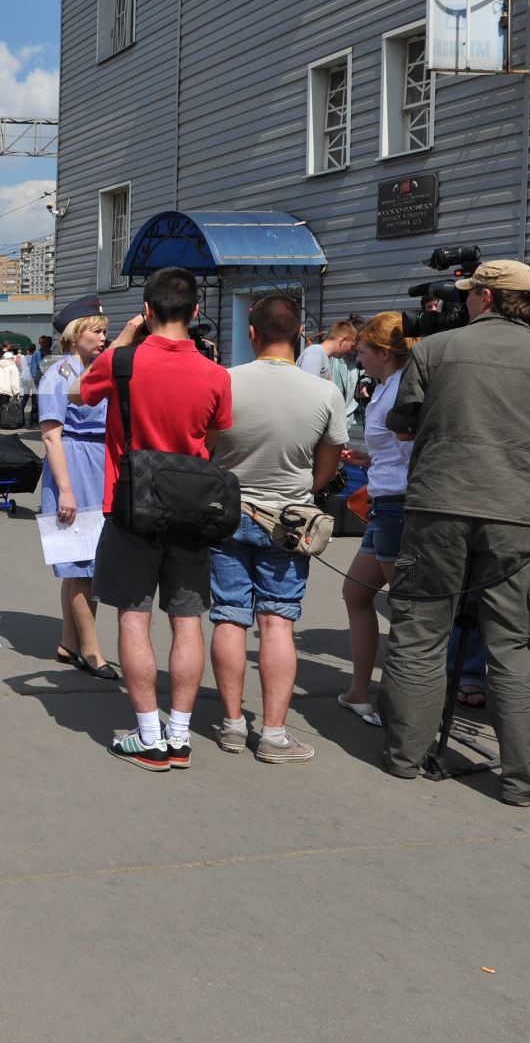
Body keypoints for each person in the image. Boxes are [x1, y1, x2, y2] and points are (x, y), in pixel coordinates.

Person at [380, 259, 530, 807]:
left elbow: (404, 420)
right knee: (517, 646)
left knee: (421, 632)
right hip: (520, 513)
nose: (467, 300)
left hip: (438, 507)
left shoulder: (433, 350)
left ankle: (406, 755)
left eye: (472, 292)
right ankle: (525, 781)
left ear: (488, 298)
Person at [76, 266, 233, 771]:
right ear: (196, 311)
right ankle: (180, 735)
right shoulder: (216, 373)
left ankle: (148, 734)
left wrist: (123, 337)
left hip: (131, 506)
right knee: (187, 621)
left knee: (134, 616)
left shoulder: (123, 361)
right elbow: (214, 438)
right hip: (193, 509)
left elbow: (81, 390)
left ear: (146, 310)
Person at [205, 295, 345, 762]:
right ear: (301, 333)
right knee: (277, 620)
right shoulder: (324, 392)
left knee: (229, 616)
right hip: (289, 520)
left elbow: (207, 447)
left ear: (252, 332)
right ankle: (273, 734)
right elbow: (326, 468)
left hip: (228, 511)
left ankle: (230, 724)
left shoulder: (224, 381)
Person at [337, 312, 417, 727]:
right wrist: (373, 457)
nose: (358, 358)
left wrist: (385, 461)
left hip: (396, 505)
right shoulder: (390, 386)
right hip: (385, 500)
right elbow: (397, 447)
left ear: (384, 353)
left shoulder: (406, 388)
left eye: (364, 351)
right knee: (356, 593)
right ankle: (359, 690)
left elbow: (413, 445)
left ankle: (404, 707)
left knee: (406, 611)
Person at [36, 296, 117, 680]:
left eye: (105, 330)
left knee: (77, 565)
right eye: (97, 330)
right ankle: (91, 650)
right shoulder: (60, 375)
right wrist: (66, 490)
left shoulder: (87, 370)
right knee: (85, 566)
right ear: (74, 335)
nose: (104, 337)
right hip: (74, 466)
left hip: (93, 464)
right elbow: (51, 436)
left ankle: (69, 641)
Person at [0, 345, 26, 430]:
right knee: (3, 405)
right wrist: (16, 392)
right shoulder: (13, 366)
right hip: (6, 389)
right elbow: (15, 381)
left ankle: (0, 421)